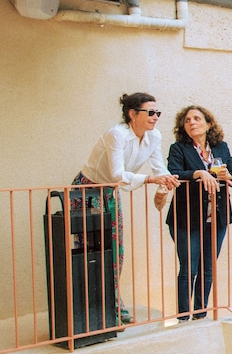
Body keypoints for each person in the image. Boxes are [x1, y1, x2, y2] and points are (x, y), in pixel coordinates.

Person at [74, 93, 180, 323]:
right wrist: (150, 180)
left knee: (115, 250)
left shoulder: (154, 136)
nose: (155, 117)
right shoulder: (117, 134)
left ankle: (112, 303)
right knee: (88, 252)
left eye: (157, 113)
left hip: (109, 192)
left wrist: (165, 182)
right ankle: (87, 309)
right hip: (86, 191)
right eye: (150, 112)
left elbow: (159, 168)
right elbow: (117, 175)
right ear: (132, 114)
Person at [166, 105, 232, 320]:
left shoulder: (221, 147)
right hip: (187, 218)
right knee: (189, 269)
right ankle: (183, 317)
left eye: (197, 118)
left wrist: (228, 176)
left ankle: (200, 314)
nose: (192, 122)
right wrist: (199, 173)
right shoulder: (178, 148)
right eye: (187, 120)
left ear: (208, 124)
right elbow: (174, 173)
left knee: (208, 269)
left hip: (216, 218)